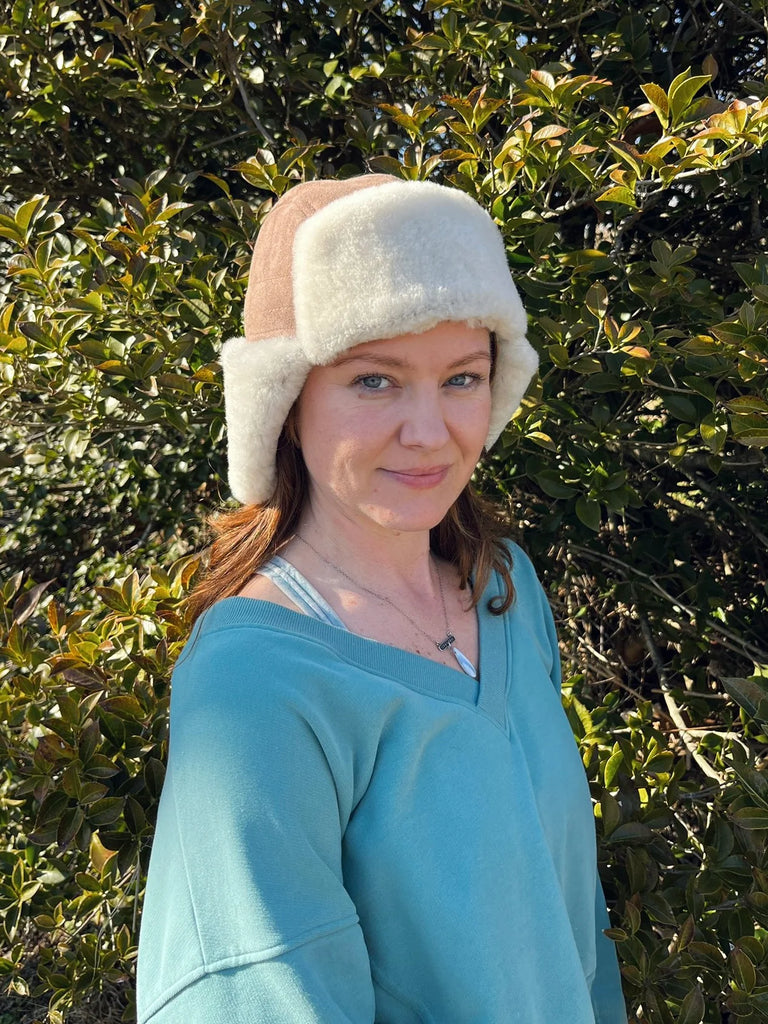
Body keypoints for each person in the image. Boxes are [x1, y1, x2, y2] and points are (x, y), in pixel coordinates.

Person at [136, 174, 627, 1023]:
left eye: (462, 378)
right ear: (288, 404)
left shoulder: (504, 589)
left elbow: (566, 930)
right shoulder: (258, 682)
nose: (431, 431)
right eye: (375, 381)